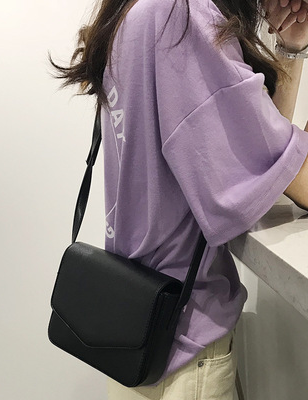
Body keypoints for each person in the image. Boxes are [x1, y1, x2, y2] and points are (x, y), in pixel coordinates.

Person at [49, 0, 308, 398]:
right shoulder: (182, 16)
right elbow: (290, 176)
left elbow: (267, 159)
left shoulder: (135, 13)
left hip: (133, 334)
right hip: (183, 348)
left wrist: (289, 49)